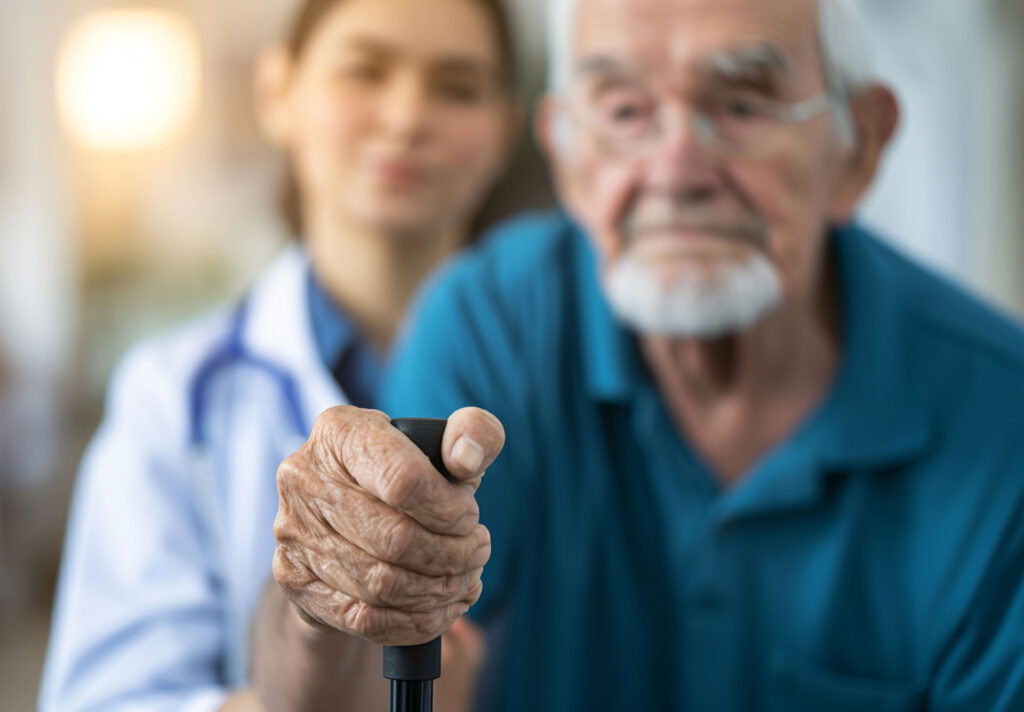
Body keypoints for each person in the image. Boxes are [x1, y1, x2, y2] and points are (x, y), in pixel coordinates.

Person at [257, 0, 1024, 710]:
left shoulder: (1002, 418)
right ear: (564, 153)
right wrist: (332, 593)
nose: (676, 169)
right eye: (624, 111)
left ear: (857, 148)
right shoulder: (489, 320)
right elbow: (415, 667)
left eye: (744, 103)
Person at [39, 0, 520, 710]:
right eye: (365, 71)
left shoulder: (558, 371)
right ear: (278, 94)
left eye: (457, 86)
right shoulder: (174, 396)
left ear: (507, 128)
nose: (407, 117)